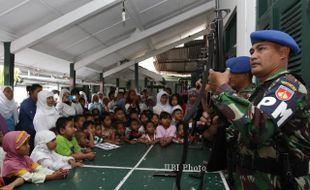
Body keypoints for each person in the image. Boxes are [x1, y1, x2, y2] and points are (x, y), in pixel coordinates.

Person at [203, 30, 310, 189]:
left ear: (283, 53)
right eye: (252, 51)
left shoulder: (289, 87)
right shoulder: (262, 90)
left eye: (261, 49)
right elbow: (239, 138)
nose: (253, 55)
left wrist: (223, 90)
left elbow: (258, 129)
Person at [2, 131, 69, 184]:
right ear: (13, 148)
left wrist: (55, 173)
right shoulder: (10, 163)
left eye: (28, 143)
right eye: (24, 144)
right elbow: (29, 177)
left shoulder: (25, 158)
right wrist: (52, 176)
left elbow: (39, 169)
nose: (28, 146)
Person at [17, 84, 42, 151]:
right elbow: (34, 117)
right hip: (27, 132)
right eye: (38, 91)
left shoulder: (38, 103)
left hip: (34, 132)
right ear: (32, 92)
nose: (40, 93)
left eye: (41, 91)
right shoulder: (26, 103)